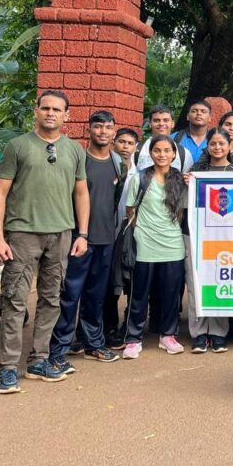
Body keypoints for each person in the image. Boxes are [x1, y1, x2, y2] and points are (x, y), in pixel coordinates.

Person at [0, 90, 89, 393]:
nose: (50, 113)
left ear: (66, 115)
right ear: (36, 111)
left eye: (56, 109)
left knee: (51, 299)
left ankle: (39, 359)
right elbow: (0, 193)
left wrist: (82, 233)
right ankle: (8, 367)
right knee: (15, 299)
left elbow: (81, 193)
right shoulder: (17, 146)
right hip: (22, 234)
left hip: (61, 234)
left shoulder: (74, 150)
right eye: (45, 108)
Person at [48, 111, 123, 373]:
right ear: (88, 129)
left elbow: (114, 201)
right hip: (78, 239)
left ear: (114, 131)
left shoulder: (117, 163)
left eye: (108, 127)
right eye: (98, 127)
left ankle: (93, 343)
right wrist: (78, 233)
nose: (103, 131)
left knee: (96, 295)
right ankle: (59, 348)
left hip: (106, 239)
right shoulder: (78, 159)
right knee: (70, 294)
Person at [122, 135, 187, 359]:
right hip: (145, 244)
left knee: (171, 294)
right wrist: (141, 230)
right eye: (157, 150)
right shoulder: (140, 178)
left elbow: (185, 210)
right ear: (150, 153)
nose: (162, 154)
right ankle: (133, 338)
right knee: (139, 293)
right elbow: (130, 209)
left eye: (166, 150)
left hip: (173, 244)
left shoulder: (180, 180)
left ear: (173, 154)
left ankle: (168, 335)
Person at [184, 129, 233, 353]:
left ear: (230, 146)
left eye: (221, 144)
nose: (217, 148)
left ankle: (218, 332)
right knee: (196, 283)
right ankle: (198, 333)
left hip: (225, 237)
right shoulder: (195, 172)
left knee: (221, 281)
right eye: (213, 143)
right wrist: (187, 182)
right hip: (196, 235)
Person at [103, 127, 139, 349]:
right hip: (107, 234)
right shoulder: (106, 169)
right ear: (114, 142)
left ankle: (129, 326)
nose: (125, 147)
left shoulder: (141, 175)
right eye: (122, 142)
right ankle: (108, 326)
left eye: (130, 143)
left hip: (129, 238)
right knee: (109, 285)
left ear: (136, 146)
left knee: (131, 282)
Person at [137, 105, 192, 173]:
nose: (161, 123)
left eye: (166, 120)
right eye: (156, 120)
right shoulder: (136, 150)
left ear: (172, 124)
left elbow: (187, 181)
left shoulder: (184, 154)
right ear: (150, 124)